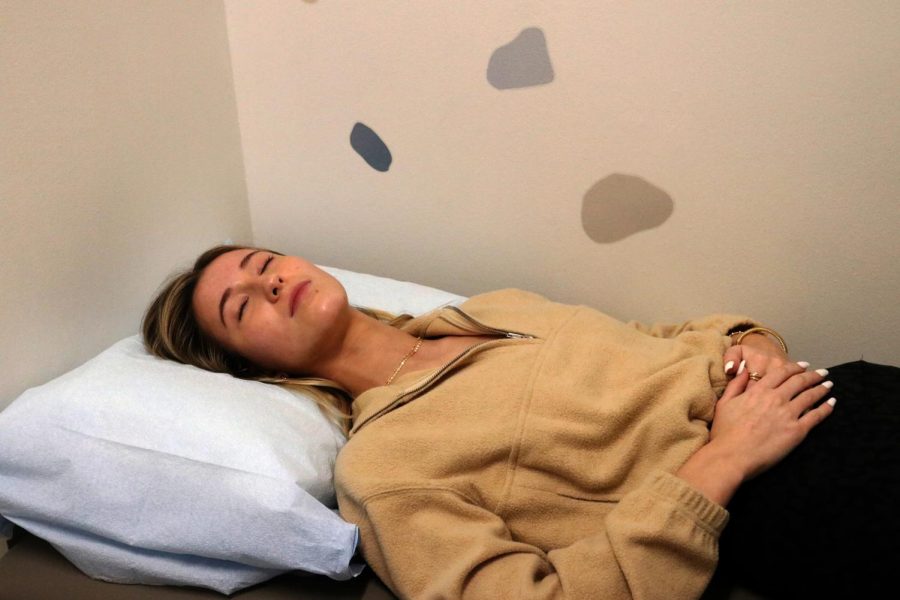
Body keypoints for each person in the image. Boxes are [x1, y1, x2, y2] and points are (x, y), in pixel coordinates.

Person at [143, 244, 898, 600]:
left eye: (262, 260)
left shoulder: (498, 308)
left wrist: (751, 345)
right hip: (794, 498)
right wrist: (724, 460)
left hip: (845, 393)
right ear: (253, 371)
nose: (269, 280)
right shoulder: (384, 468)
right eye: (242, 305)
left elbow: (659, 338)